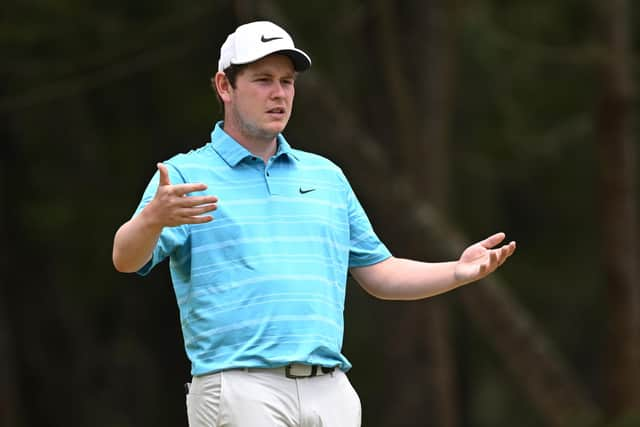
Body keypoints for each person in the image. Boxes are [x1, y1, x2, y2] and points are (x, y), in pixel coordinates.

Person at [112, 20, 516, 427]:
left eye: (287, 82)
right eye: (263, 80)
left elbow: (379, 272)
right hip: (241, 387)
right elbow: (125, 259)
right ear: (224, 86)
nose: (279, 93)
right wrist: (151, 219)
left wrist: (457, 272)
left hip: (330, 389)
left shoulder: (326, 177)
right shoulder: (184, 176)